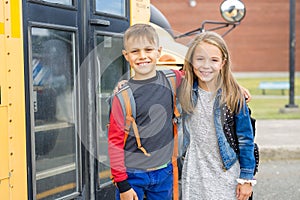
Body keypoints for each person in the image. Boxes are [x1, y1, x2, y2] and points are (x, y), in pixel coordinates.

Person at [108, 23, 183, 200]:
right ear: (126, 56)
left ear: (159, 51)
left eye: (148, 49)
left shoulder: (172, 79)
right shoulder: (123, 96)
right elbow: (115, 143)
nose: (143, 56)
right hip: (133, 175)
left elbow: (202, 76)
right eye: (135, 52)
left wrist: (235, 88)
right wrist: (123, 185)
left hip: (164, 172)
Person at [178, 31, 256, 200]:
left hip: (226, 172)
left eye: (214, 60)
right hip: (194, 171)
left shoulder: (233, 96)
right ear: (191, 61)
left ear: (223, 63)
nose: (206, 66)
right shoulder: (183, 90)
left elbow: (245, 140)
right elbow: (155, 77)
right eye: (200, 59)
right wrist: (127, 84)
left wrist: (246, 178)